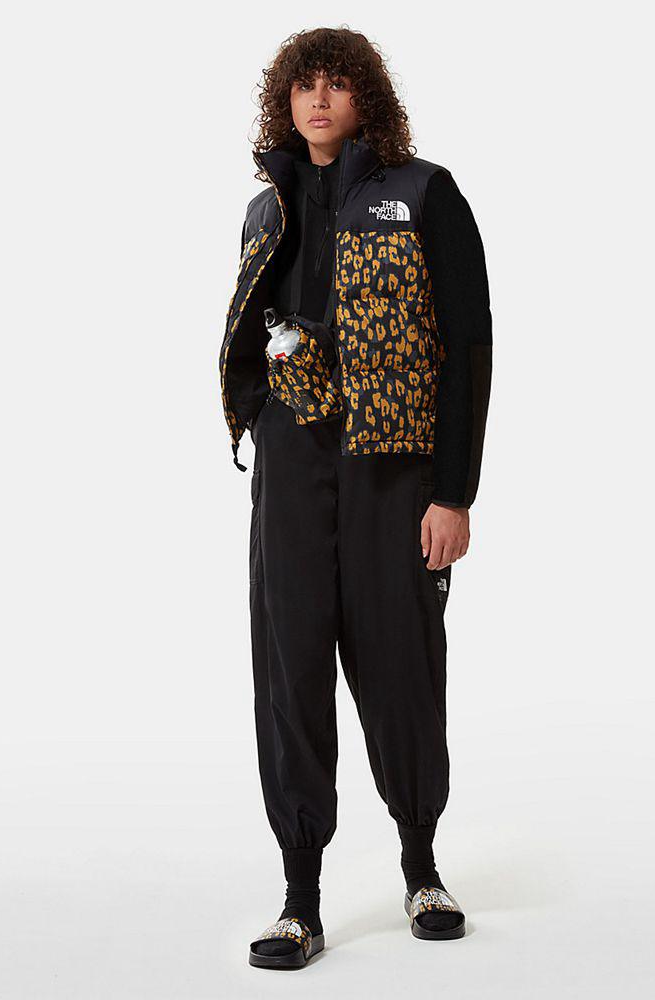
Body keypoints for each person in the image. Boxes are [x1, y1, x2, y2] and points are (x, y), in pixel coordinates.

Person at [218, 26, 493, 969]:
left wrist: (453, 492)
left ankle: (422, 867)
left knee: (401, 664)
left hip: (392, 467)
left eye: (337, 84)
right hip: (293, 465)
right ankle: (300, 899)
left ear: (365, 97)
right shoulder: (265, 209)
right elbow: (249, 329)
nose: (320, 99)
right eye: (305, 85)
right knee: (289, 669)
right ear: (285, 100)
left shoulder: (423, 195)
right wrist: (260, 413)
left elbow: (468, 347)